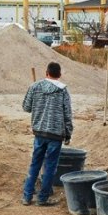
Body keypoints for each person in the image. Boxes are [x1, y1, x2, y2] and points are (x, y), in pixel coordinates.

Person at [21, 61, 74, 206]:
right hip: (55, 135)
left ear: (46, 73)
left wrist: (37, 103)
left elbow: (26, 107)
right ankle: (43, 198)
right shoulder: (63, 90)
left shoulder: (35, 87)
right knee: (50, 166)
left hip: (39, 132)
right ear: (60, 75)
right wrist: (68, 133)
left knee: (35, 163)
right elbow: (67, 114)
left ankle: (27, 196)